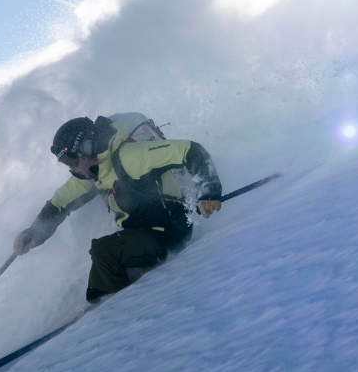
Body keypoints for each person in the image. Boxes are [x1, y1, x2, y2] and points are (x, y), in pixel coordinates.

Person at [13, 116, 223, 302]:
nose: (72, 167)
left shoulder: (130, 157)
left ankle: (107, 305)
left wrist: (209, 191)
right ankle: (116, 291)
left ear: (87, 147)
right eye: (66, 162)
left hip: (170, 228)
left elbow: (190, 150)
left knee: (106, 251)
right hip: (144, 233)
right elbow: (59, 203)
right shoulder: (93, 174)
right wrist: (33, 234)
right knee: (111, 250)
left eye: (71, 159)